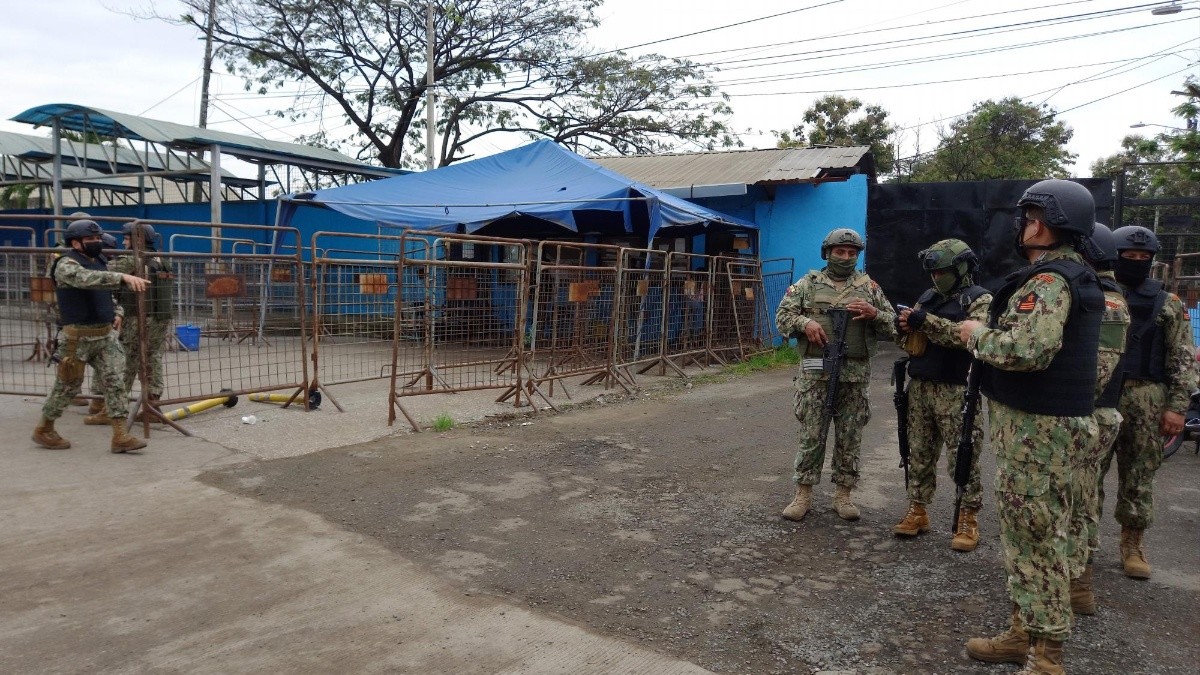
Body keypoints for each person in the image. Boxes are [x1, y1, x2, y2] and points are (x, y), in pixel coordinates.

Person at [958, 179, 1104, 675]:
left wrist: (978, 335)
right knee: (1034, 538)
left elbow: (1027, 350)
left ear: (1041, 222)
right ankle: (1023, 635)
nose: (1023, 225)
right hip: (1048, 433)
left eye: (1029, 216)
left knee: (1036, 544)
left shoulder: (1049, 282)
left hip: (1036, 438)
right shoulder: (1075, 274)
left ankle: (1046, 657)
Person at [775, 228, 896, 521]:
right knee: (812, 434)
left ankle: (843, 495)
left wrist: (874, 314)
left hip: (853, 375)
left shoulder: (870, 288)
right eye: (840, 252)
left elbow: (894, 326)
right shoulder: (807, 284)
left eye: (852, 253)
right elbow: (782, 317)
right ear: (827, 253)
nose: (846, 257)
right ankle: (803, 494)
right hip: (816, 374)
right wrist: (804, 323)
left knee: (850, 436)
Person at [1098, 225, 1197, 579]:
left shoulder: (1167, 302)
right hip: (1102, 392)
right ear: (1115, 256)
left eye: (1144, 258)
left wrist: (1177, 406)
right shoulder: (1099, 293)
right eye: (1129, 257)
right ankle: (1083, 543)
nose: (1137, 262)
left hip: (1148, 396)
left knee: (1139, 474)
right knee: (1088, 473)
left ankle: (1132, 544)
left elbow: (1182, 356)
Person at [892, 239, 991, 551]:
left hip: (957, 390)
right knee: (918, 452)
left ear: (961, 268)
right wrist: (904, 326)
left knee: (963, 456)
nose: (936, 278)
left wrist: (924, 321)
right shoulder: (928, 297)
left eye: (943, 271)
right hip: (920, 385)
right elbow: (909, 334)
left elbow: (968, 337)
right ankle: (917, 510)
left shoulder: (979, 300)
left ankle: (968, 518)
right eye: (933, 273)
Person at [31, 219, 151, 454]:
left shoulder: (98, 262)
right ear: (75, 243)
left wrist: (117, 311)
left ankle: (120, 435)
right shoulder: (65, 264)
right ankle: (44, 428)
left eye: (98, 239)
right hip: (78, 338)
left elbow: (106, 293)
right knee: (67, 386)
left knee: (116, 382)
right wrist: (122, 277)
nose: (97, 243)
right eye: (91, 240)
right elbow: (84, 279)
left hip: (105, 336)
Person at [1067, 223, 1129, 616]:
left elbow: (1097, 373)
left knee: (1079, 499)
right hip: (1081, 411)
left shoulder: (1105, 300)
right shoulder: (1087, 290)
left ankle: (1078, 584)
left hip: (1089, 413)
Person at [89, 222, 173, 423]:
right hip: (160, 317)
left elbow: (103, 274)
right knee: (152, 358)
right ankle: (153, 404)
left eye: (127, 239)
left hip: (138, 317)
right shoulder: (160, 259)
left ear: (138, 240)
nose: (123, 242)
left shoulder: (132, 259)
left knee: (126, 360)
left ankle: (114, 409)